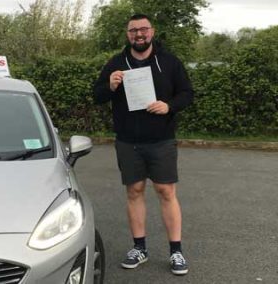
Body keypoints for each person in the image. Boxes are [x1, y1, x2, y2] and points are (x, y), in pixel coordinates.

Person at [93, 14, 194, 275]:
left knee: (166, 192)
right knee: (134, 191)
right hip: (128, 142)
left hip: (161, 140)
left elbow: (187, 93)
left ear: (152, 31)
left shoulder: (169, 62)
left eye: (143, 29)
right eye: (133, 30)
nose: (139, 34)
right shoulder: (116, 63)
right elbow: (97, 95)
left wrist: (169, 106)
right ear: (127, 34)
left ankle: (176, 251)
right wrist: (111, 85)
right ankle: (140, 248)